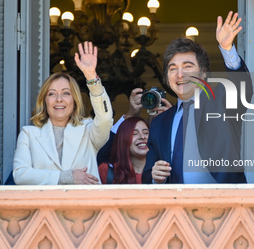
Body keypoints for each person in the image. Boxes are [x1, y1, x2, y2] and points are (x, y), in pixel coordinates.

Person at [142, 11, 253, 184]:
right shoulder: (159, 123)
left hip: (223, 205)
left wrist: (226, 48)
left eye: (187, 66)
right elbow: (148, 176)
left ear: (203, 72)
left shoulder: (221, 102)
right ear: (166, 78)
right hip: (175, 207)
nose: (180, 74)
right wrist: (155, 177)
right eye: (172, 69)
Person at [13, 42, 113, 185]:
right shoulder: (28, 134)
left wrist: (91, 77)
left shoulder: (88, 131)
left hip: (85, 206)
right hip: (44, 207)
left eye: (66, 93)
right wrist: (66, 177)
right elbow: (20, 175)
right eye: (52, 94)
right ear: (45, 101)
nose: (59, 99)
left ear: (74, 100)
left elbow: (105, 119)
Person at [97, 87, 172, 165]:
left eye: (145, 133)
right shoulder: (111, 170)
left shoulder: (169, 164)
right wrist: (130, 114)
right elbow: (102, 154)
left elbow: (185, 163)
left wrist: (172, 123)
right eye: (134, 133)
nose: (142, 137)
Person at [98, 117, 149, 184]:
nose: (142, 137)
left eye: (146, 132)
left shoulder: (161, 171)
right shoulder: (106, 171)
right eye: (134, 133)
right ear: (122, 139)